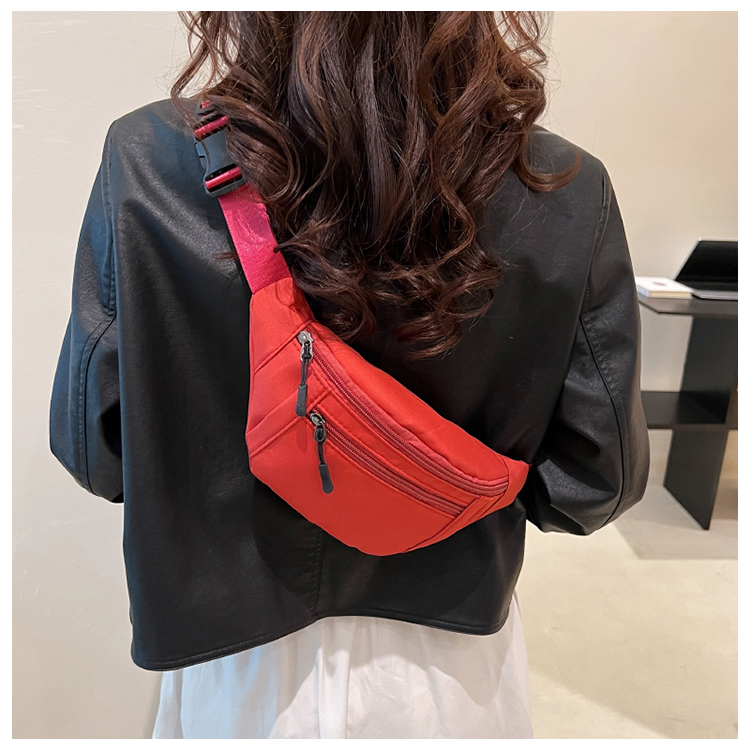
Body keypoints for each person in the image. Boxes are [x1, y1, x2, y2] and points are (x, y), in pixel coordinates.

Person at [49, 11, 650, 740]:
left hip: (238, 671)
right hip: (451, 669)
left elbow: (97, 452)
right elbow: (591, 483)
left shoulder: (147, 157)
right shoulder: (564, 186)